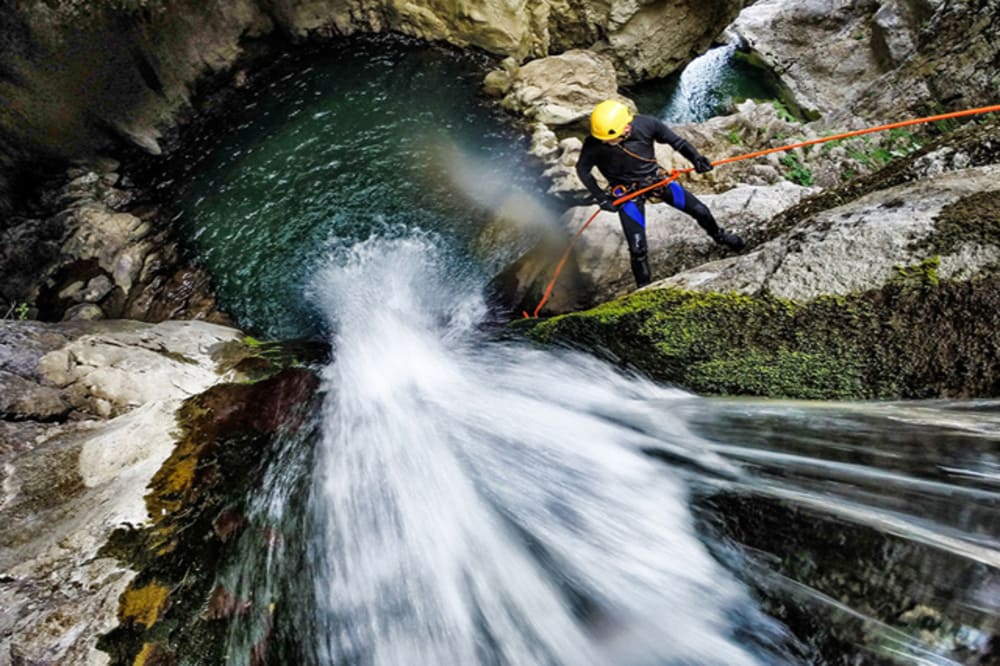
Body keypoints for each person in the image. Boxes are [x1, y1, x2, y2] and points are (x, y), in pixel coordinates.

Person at [575, 99, 745, 288]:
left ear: (625, 128)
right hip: (627, 194)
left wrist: (696, 158)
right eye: (602, 138)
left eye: (608, 138)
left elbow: (677, 142)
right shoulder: (594, 144)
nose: (604, 142)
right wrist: (601, 197)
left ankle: (720, 236)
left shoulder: (647, 124)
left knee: (701, 211)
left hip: (655, 180)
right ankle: (644, 289)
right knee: (638, 250)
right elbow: (583, 170)